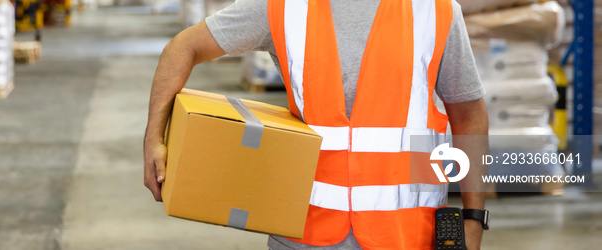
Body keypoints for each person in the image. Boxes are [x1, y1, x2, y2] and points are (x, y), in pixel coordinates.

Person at [144, 0, 489, 249]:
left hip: (409, 235)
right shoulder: (281, 7)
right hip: (306, 235)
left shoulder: (435, 10)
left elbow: (469, 115)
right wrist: (154, 139)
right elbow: (183, 47)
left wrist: (474, 218)